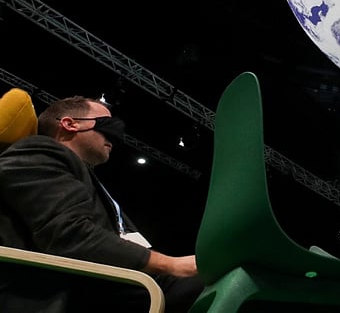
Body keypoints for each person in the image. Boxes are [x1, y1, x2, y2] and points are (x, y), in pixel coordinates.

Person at [0, 96, 204, 312]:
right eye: (107, 126)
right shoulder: (38, 152)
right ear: (70, 124)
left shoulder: (79, 175)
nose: (115, 137)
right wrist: (171, 265)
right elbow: (71, 235)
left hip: (126, 285)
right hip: (77, 293)